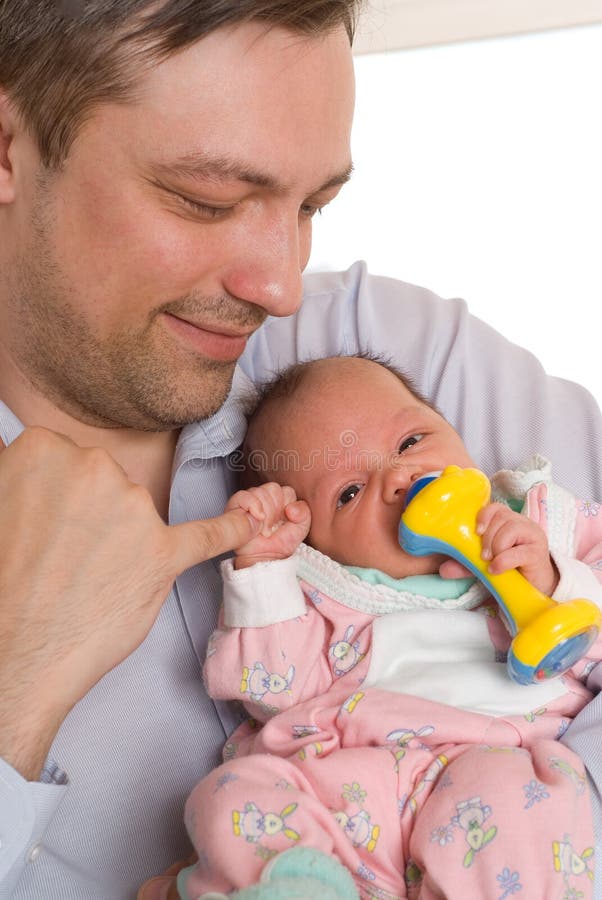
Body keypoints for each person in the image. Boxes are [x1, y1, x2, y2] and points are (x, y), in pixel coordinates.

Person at [1, 1, 602, 898]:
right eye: (207, 200)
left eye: (313, 203)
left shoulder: (383, 346)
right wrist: (19, 679)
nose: (280, 288)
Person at [155, 355, 602, 899]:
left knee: (519, 800)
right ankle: (295, 887)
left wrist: (555, 579)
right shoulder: (329, 597)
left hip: (500, 778)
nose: (398, 479)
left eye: (411, 442)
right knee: (232, 794)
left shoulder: (542, 524)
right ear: (318, 547)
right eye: (349, 493)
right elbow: (270, 690)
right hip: (357, 804)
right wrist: (265, 571)